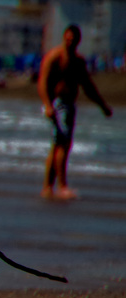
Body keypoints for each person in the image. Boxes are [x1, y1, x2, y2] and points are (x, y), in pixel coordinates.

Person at [38, 24, 113, 200]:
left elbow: (88, 86)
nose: (70, 41)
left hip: (69, 104)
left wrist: (103, 106)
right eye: (68, 37)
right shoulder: (55, 57)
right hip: (57, 104)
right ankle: (61, 186)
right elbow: (42, 82)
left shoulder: (78, 61)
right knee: (62, 144)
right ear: (64, 37)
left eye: (74, 38)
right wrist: (48, 105)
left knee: (58, 144)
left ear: (78, 40)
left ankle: (49, 187)